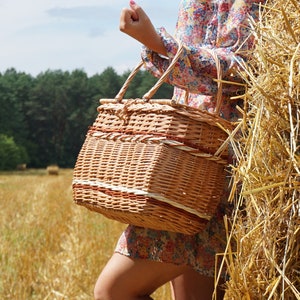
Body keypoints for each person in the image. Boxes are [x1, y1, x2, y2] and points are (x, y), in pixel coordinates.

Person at [94, 0, 265, 299]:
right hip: (181, 167)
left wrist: (159, 43)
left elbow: (243, 70)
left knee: (113, 291)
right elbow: (183, 77)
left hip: (221, 166)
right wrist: (155, 45)